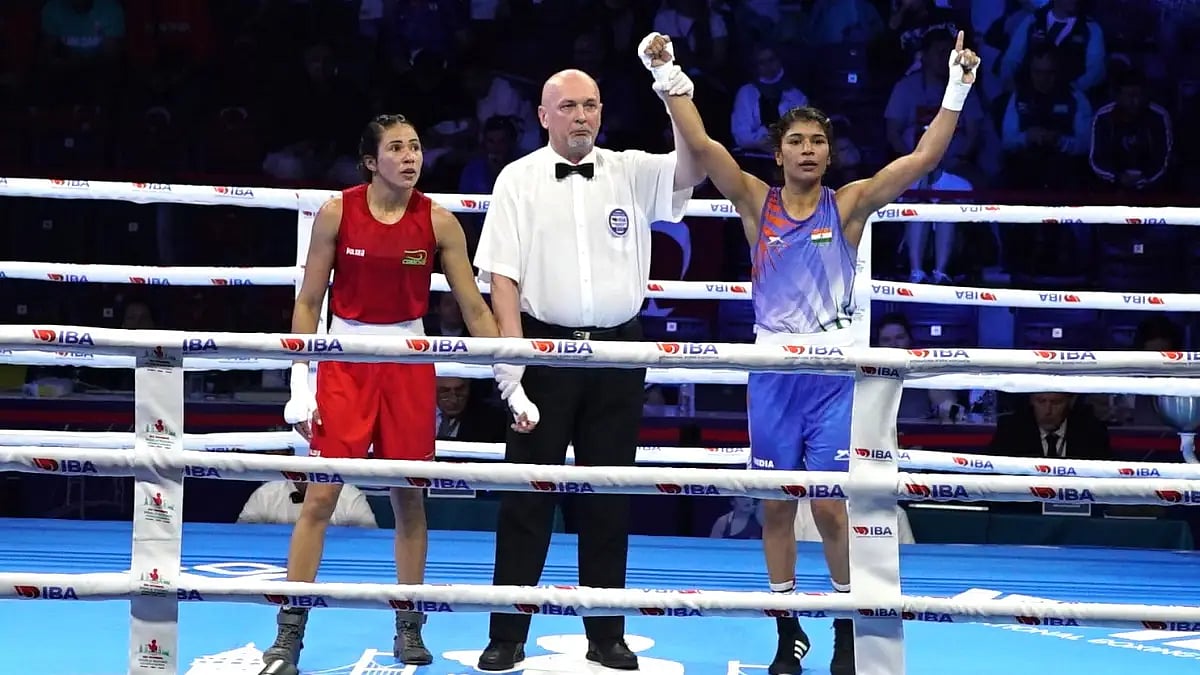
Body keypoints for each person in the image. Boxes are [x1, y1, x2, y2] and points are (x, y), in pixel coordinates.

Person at [639, 30, 979, 675]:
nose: (807, 149)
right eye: (795, 140)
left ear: (829, 152)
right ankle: (787, 630)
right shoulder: (755, 201)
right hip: (773, 373)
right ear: (778, 153)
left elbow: (923, 158)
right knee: (775, 505)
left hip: (831, 376)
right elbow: (704, 146)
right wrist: (666, 74)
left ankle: (847, 628)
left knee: (829, 506)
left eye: (817, 141)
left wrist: (957, 85)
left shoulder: (848, 205)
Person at [261, 114, 539, 675]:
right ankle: (288, 634)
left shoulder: (438, 220)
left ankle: (409, 623)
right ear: (371, 161)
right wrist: (300, 380)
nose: (410, 156)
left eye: (415, 147)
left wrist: (512, 384)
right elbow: (309, 301)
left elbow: (474, 307)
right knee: (319, 497)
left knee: (409, 498)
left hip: (409, 359)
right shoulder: (337, 212)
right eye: (396, 148)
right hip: (345, 357)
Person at [471, 68, 706, 671]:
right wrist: (512, 372)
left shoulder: (630, 169)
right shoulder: (518, 178)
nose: (582, 116)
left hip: (618, 355)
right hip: (543, 353)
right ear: (543, 115)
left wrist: (670, 87)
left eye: (592, 105)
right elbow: (503, 280)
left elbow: (695, 164)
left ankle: (606, 634)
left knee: (608, 498)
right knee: (527, 497)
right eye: (569, 106)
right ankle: (507, 634)